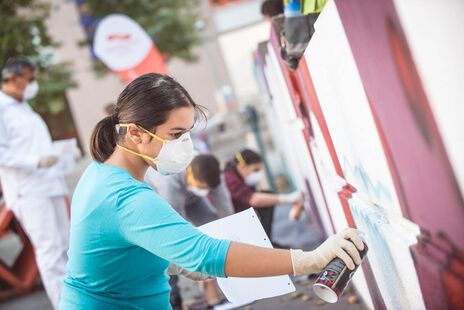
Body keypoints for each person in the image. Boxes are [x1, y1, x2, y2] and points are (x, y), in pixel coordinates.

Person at [59, 73, 365, 310]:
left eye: (187, 133)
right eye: (175, 135)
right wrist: (308, 260)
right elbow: (205, 255)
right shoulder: (125, 197)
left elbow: (116, 254)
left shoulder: (101, 174)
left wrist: (174, 260)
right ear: (136, 133)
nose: (184, 145)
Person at [0, 57, 70, 309]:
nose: (33, 84)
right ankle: (64, 305)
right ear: (12, 79)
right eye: (29, 79)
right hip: (28, 191)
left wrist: (60, 155)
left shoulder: (25, 108)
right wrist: (36, 161)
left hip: (50, 184)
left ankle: (79, 301)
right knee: (50, 251)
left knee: (67, 246)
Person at [144, 154, 234, 309]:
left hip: (192, 199)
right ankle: (174, 298)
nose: (204, 190)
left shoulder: (212, 173)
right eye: (200, 187)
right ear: (189, 172)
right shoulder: (167, 181)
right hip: (157, 203)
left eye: (206, 188)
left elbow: (225, 208)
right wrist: (199, 263)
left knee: (213, 229)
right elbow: (177, 229)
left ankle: (219, 296)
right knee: (170, 250)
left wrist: (232, 234)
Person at [223, 149, 304, 241]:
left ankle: (267, 241)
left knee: (267, 197)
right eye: (255, 170)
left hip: (236, 220)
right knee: (266, 198)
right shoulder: (229, 179)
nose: (257, 174)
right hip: (229, 225)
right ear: (242, 167)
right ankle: (265, 243)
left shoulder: (237, 178)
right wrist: (288, 199)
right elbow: (253, 199)